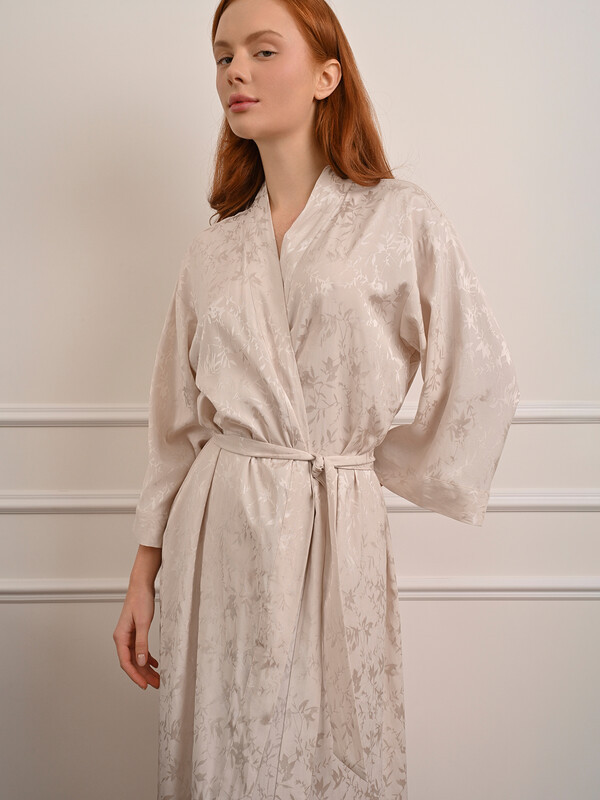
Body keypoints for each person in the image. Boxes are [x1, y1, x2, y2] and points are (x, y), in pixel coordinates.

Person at [113, 0, 520, 797]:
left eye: (264, 50)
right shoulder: (214, 248)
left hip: (337, 524)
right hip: (217, 533)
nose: (236, 70)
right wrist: (141, 575)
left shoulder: (398, 219)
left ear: (327, 75)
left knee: (334, 748)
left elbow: (483, 374)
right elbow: (174, 422)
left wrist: (371, 462)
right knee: (227, 750)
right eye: (223, 55)